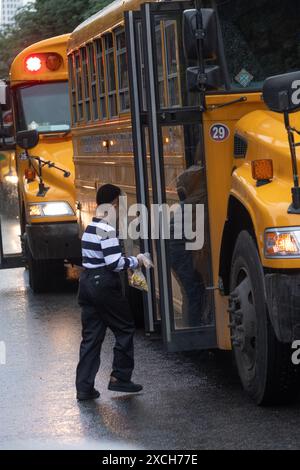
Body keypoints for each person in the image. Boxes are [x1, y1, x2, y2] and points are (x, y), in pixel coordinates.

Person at [76, 184, 146, 401]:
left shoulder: (90, 227)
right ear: (114, 203)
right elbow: (114, 263)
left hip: (87, 283)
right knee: (125, 327)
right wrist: (138, 260)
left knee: (91, 337)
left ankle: (84, 387)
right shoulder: (106, 229)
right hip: (103, 284)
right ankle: (120, 378)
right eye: (120, 203)